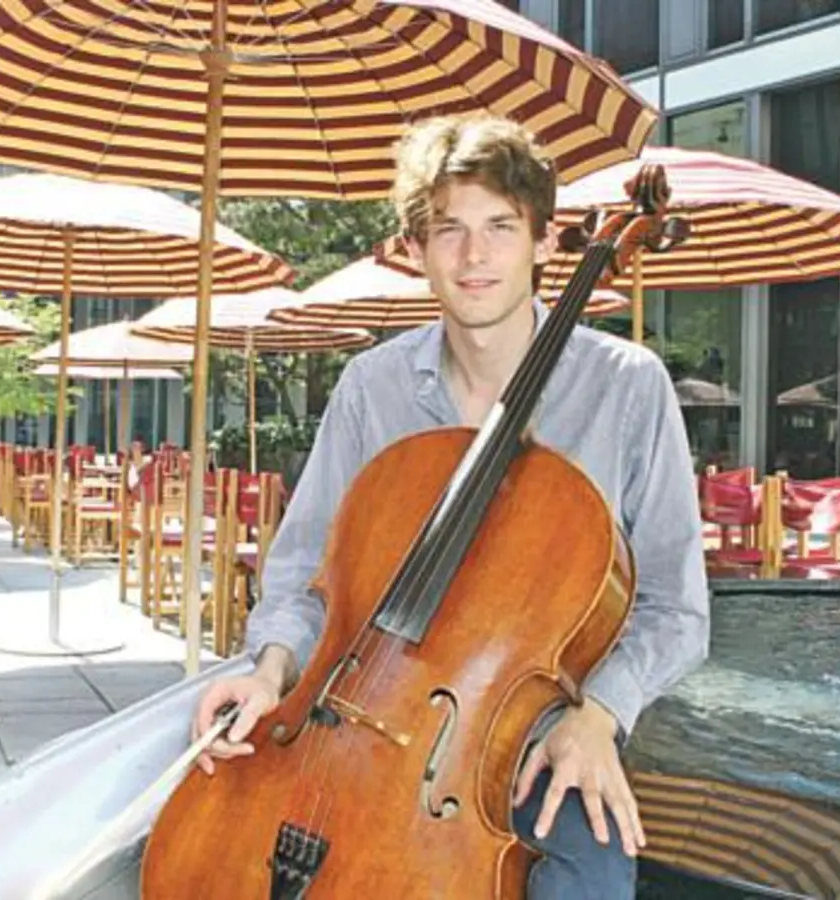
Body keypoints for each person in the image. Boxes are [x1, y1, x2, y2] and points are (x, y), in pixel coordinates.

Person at [190, 115, 710, 899]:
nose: (474, 257)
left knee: (590, 875)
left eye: (500, 227)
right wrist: (269, 672)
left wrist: (600, 715)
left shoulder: (628, 387)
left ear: (544, 242)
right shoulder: (373, 387)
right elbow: (303, 575)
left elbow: (676, 609)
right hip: (343, 712)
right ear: (415, 250)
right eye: (448, 231)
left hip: (525, 736)